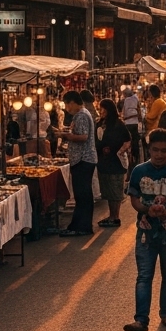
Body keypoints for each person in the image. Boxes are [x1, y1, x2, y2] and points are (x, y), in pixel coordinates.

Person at [123, 129, 166, 331]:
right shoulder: (139, 171)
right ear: (149, 149)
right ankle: (141, 320)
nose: (159, 155)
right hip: (146, 232)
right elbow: (134, 199)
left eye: (164, 150)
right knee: (144, 276)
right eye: (155, 150)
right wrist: (147, 210)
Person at [55, 91, 97, 237]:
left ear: (72, 102)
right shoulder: (82, 114)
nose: (67, 108)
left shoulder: (81, 115)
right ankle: (78, 225)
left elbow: (83, 136)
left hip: (83, 159)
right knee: (83, 195)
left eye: (67, 105)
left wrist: (64, 135)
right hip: (83, 159)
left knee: (82, 195)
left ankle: (82, 227)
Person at [96, 99, 132, 229]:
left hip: (116, 162)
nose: (101, 111)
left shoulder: (118, 124)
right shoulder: (100, 123)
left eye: (103, 109)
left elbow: (128, 140)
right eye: (101, 109)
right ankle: (112, 216)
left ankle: (115, 217)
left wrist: (120, 151)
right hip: (104, 162)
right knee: (108, 191)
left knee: (115, 190)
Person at [121, 86, 145, 166]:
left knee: (128, 139)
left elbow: (124, 112)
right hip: (135, 122)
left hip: (128, 123)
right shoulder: (135, 98)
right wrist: (140, 120)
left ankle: (129, 156)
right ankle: (136, 156)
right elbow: (139, 109)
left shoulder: (126, 100)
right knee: (135, 139)